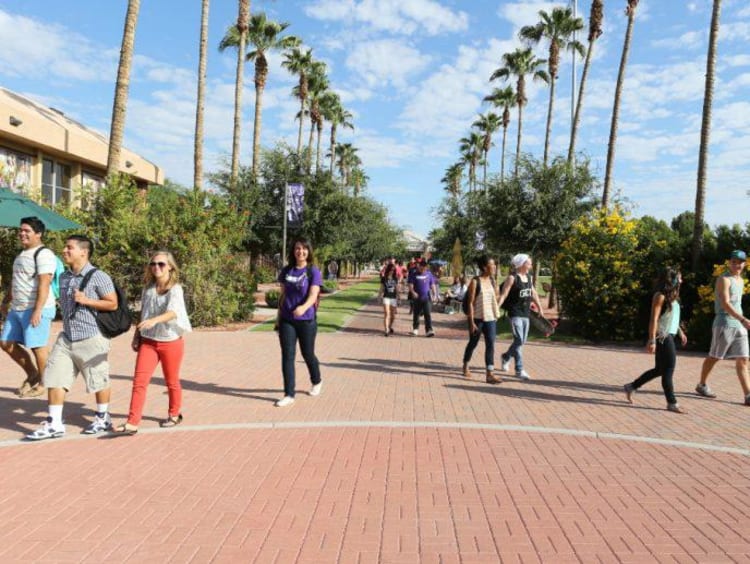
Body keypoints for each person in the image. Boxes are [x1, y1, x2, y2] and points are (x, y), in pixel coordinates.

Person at [26, 235, 118, 440]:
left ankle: (103, 417)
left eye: (69, 248)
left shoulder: (99, 276)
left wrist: (87, 300)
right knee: (54, 376)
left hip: (92, 337)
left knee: (98, 379)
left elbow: (112, 303)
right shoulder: (65, 277)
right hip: (67, 338)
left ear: (83, 252)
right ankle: (54, 423)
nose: (64, 251)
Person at [113, 251, 192, 435]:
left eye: (161, 264)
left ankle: (174, 414)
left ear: (170, 267)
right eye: (153, 264)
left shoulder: (175, 289)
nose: (156, 267)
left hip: (170, 342)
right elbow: (144, 314)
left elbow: (174, 312)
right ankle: (132, 422)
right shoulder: (148, 289)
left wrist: (155, 320)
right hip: (148, 341)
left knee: (171, 381)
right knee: (139, 382)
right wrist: (136, 335)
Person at [0, 217, 56, 398]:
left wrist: (38, 310)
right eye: (21, 230)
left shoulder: (44, 254)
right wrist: (6, 300)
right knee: (6, 343)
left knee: (38, 346)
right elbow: (17, 280)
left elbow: (45, 283)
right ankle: (33, 374)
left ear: (38, 234)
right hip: (18, 308)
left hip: (35, 308)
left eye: (27, 231)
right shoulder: (21, 254)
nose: (22, 233)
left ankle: (44, 383)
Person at [624, 267, 688, 413]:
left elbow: (671, 318)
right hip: (662, 336)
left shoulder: (674, 296)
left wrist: (680, 332)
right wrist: (652, 340)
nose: (681, 280)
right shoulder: (660, 296)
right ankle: (672, 403)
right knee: (669, 369)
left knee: (659, 370)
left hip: (670, 334)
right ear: (671, 279)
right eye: (679, 278)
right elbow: (654, 319)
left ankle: (631, 386)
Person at [694, 250, 750, 406]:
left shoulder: (741, 280)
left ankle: (748, 395)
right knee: (715, 356)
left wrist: (741, 320)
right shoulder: (724, 279)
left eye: (739, 262)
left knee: (744, 359)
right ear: (729, 263)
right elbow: (725, 303)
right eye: (734, 261)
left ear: (744, 264)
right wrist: (743, 319)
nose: (737, 265)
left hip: (739, 324)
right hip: (724, 323)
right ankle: (702, 384)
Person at [274, 238, 323, 407]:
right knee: (287, 356)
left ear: (308, 251)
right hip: (287, 320)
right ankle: (289, 394)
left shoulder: (313, 271)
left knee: (307, 354)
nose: (300, 251)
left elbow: (313, 294)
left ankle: (316, 380)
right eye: (297, 248)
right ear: (293, 251)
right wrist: (278, 318)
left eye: (303, 249)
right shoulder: (287, 271)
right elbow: (283, 296)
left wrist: (303, 307)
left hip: (306, 320)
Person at [497, 253, 545, 380]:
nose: (531, 264)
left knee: (522, 341)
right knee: (518, 340)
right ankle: (519, 370)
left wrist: (540, 307)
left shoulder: (528, 277)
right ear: (522, 264)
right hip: (515, 313)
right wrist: (496, 308)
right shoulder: (512, 278)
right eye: (529, 262)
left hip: (526, 313)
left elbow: (533, 293)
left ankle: (506, 356)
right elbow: (504, 294)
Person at [462, 256, 502, 384]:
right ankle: (466, 364)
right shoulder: (475, 281)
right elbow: (470, 303)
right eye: (492, 265)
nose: (495, 267)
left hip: (490, 318)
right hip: (478, 319)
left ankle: (489, 374)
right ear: (485, 267)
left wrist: (497, 289)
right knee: (473, 343)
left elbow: (495, 298)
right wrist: (471, 322)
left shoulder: (492, 280)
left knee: (490, 344)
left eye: (495, 265)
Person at [408, 258, 436, 337]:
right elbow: (410, 285)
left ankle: (429, 330)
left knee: (427, 314)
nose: (422, 269)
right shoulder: (414, 274)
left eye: (424, 268)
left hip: (426, 298)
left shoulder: (429, 274)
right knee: (416, 314)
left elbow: (432, 284)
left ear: (426, 268)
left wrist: (434, 294)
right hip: (417, 298)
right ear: (418, 266)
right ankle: (415, 329)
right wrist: (413, 292)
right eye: (421, 268)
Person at [380, 263, 399, 336]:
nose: (392, 271)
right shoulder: (384, 278)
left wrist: (399, 297)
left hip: (393, 298)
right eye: (391, 270)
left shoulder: (395, 278)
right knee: (387, 313)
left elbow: (397, 289)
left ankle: (389, 326)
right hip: (386, 297)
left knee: (393, 316)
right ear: (388, 270)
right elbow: (381, 288)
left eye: (393, 270)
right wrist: (379, 296)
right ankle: (386, 330)